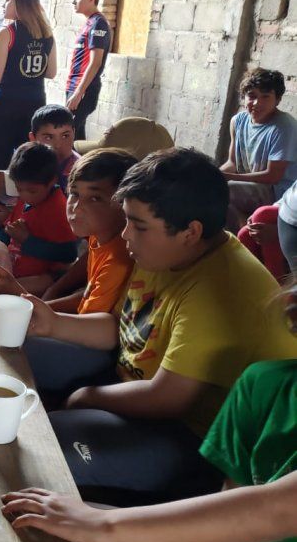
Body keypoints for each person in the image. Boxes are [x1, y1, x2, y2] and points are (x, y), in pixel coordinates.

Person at [22, 148, 297, 506]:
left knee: (43, 451)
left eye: (137, 225)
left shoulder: (221, 291)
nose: (125, 235)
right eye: (126, 220)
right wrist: (54, 323)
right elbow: (120, 326)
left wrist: (86, 396)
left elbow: (166, 398)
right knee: (17, 346)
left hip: (193, 437)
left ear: (190, 232)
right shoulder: (162, 249)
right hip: (130, 379)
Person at [2, 360, 297, 542]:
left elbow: (279, 510)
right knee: (29, 523)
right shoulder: (267, 384)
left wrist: (99, 525)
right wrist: (92, 525)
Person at [0, 148, 137, 316]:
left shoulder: (118, 261)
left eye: (95, 198)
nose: (77, 207)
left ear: (125, 205)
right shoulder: (99, 235)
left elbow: (86, 318)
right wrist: (53, 291)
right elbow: (84, 281)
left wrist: (18, 293)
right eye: (74, 193)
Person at [0, 143, 78, 292]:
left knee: (38, 282)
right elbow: (8, 234)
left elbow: (69, 254)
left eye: (32, 191)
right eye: (19, 189)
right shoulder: (25, 198)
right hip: (15, 263)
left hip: (39, 276)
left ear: (52, 181)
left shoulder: (58, 208)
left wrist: (27, 240)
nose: (24, 195)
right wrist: (0, 235)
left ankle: (3, 289)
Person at [0, 0, 57, 174]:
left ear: (20, 3)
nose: (3, 4)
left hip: (5, 107)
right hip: (35, 106)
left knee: (2, 165)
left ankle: (1, 195)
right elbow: (51, 72)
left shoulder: (7, 33)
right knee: (27, 165)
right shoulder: (47, 34)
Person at [220, 68, 297, 229]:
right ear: (244, 96)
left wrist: (227, 178)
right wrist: (214, 175)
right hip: (251, 185)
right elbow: (232, 163)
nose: (257, 103)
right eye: (252, 96)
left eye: (265, 97)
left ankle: (239, 237)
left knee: (225, 190)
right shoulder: (238, 121)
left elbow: (272, 176)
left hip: (277, 192)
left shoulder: (284, 126)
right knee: (209, 187)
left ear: (277, 100)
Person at [66, 0, 112, 140]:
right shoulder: (89, 22)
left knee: (68, 135)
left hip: (84, 90)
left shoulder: (98, 24)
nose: (74, 1)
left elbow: (95, 62)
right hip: (75, 86)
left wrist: (79, 92)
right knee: (76, 137)